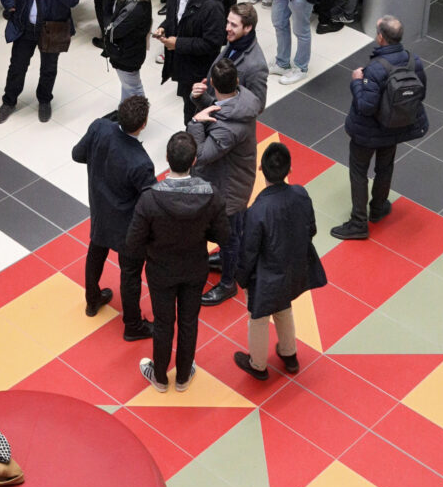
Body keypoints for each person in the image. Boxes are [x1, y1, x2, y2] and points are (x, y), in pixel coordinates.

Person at [125, 130, 229, 394]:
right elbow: (224, 236)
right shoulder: (211, 195)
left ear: (167, 159)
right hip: (195, 268)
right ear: (194, 160)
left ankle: (159, 377)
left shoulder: (149, 199)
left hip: (161, 271)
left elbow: (133, 242)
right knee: (188, 321)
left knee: (163, 322)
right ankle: (183, 376)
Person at [330, 16, 429, 240]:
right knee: (385, 168)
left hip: (367, 133)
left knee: (358, 173)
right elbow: (421, 94)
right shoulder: (415, 62)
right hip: (395, 128)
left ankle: (358, 223)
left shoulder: (374, 69)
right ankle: (378, 208)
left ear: (381, 38)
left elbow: (365, 106)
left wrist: (356, 81)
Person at [233, 142, 326, 381]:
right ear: (289, 170)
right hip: (294, 268)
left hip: (266, 276)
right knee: (284, 307)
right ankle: (289, 353)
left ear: (261, 170)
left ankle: (258, 364)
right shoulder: (301, 194)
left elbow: (249, 251)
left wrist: (241, 278)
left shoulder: (257, 211)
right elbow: (311, 229)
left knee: (258, 317)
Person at [72, 95, 154, 336]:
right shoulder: (141, 162)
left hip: (100, 208)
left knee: (96, 251)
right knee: (130, 274)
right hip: (128, 225)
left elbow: (78, 154)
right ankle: (132, 325)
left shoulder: (99, 128)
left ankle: (92, 299)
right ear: (143, 124)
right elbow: (151, 201)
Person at [189, 48, 266, 306]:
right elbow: (218, 110)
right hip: (234, 179)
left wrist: (195, 121)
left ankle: (227, 283)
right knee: (233, 233)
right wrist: (201, 102)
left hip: (229, 188)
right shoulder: (242, 100)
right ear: (237, 82)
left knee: (230, 237)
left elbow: (200, 155)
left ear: (212, 82)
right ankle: (225, 260)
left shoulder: (228, 129)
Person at [0, 0, 81, 123]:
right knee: (17, 66)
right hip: (25, 26)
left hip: (51, 29)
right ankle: (9, 101)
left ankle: (44, 100)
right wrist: (8, 1)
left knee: (49, 68)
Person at [154, 0, 225, 122]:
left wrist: (178, 44)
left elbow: (213, 44)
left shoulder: (212, 6)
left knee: (197, 113)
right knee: (188, 106)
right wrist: (164, 28)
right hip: (183, 65)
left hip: (199, 71)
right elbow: (175, 18)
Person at [102, 0, 158, 99]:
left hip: (127, 55)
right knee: (127, 85)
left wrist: (109, 0)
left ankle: (138, 118)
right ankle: (125, 110)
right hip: (129, 51)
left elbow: (111, 31)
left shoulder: (134, 6)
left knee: (133, 88)